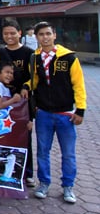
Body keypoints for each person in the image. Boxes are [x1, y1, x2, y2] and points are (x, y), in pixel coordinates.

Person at [31, 21, 87, 204]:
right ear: (36, 37)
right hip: (44, 113)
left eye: (48, 34)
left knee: (68, 152)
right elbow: (34, 81)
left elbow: (78, 85)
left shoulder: (69, 57)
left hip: (65, 113)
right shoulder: (35, 57)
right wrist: (25, 87)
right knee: (42, 151)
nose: (45, 37)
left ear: (54, 35)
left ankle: (68, 186)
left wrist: (80, 110)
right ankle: (44, 183)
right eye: (41, 34)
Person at [0, 19, 35, 186]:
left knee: (25, 136)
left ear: (20, 33)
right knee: (3, 136)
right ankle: (3, 170)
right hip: (4, 100)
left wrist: (26, 86)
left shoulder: (29, 53)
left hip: (23, 101)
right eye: (6, 34)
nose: (9, 36)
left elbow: (35, 77)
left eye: (13, 33)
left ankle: (28, 173)